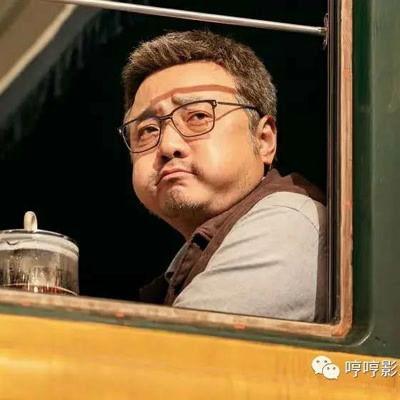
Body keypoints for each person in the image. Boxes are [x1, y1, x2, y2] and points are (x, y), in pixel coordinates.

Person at [118, 30, 327, 322]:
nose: (167, 146)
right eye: (148, 130)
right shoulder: (195, 256)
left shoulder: (288, 223)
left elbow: (171, 347)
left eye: (197, 117)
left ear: (264, 140)